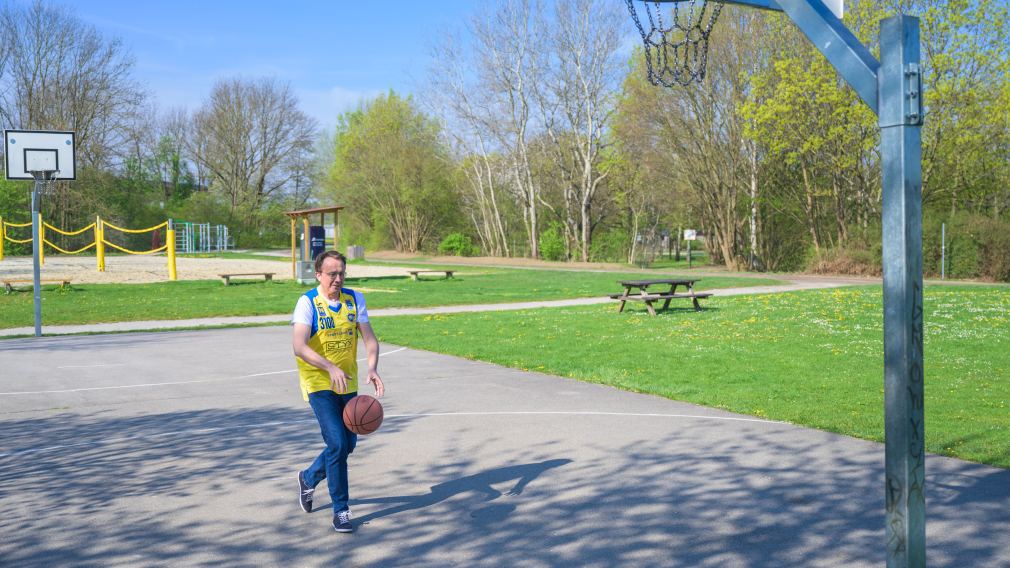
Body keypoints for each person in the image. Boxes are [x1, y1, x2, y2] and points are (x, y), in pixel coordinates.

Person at [291, 250, 384, 533]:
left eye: (342, 273)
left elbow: (370, 340)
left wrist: (372, 368)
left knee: (347, 445)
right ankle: (341, 510)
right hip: (318, 383)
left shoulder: (354, 299)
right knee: (338, 444)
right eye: (332, 274)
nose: (338, 279)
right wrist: (330, 367)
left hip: (348, 383)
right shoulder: (308, 302)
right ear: (318, 274)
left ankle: (308, 478)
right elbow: (299, 346)